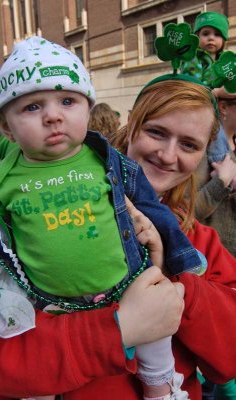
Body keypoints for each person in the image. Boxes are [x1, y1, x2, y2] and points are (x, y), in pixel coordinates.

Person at [0, 36, 202, 400]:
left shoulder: (104, 159)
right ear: (8, 127)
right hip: (49, 307)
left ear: (87, 108)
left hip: (127, 284)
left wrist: (180, 257)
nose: (53, 115)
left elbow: (153, 209)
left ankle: (162, 390)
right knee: (37, 374)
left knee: (156, 348)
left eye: (67, 100)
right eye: (31, 107)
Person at [113, 77, 236, 400]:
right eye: (156, 132)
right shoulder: (60, 214)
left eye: (189, 145)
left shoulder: (200, 241)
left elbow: (229, 358)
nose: (168, 156)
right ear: (132, 124)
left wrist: (173, 275)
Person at [180, 11, 236, 189]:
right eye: (206, 34)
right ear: (197, 37)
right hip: (197, 109)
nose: (211, 39)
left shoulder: (223, 62)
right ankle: (219, 164)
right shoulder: (193, 59)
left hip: (214, 109)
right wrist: (217, 92)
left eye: (217, 34)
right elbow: (192, 86)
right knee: (217, 133)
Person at [195, 86, 236, 257]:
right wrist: (220, 183)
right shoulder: (201, 154)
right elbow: (187, 212)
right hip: (214, 263)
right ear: (223, 108)